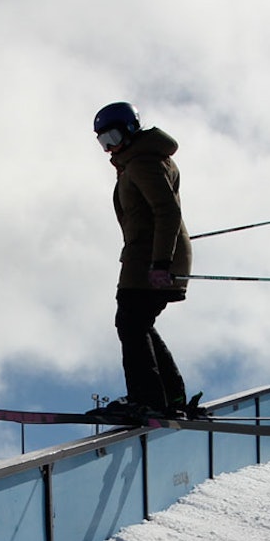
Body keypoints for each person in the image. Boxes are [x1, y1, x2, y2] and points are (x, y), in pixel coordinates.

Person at [90, 101, 196, 419]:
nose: (110, 147)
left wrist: (161, 262)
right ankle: (170, 396)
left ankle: (147, 399)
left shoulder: (141, 163)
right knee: (138, 324)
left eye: (113, 136)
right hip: (149, 257)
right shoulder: (142, 160)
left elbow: (167, 211)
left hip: (149, 262)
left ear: (131, 128)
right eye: (103, 141)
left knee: (131, 324)